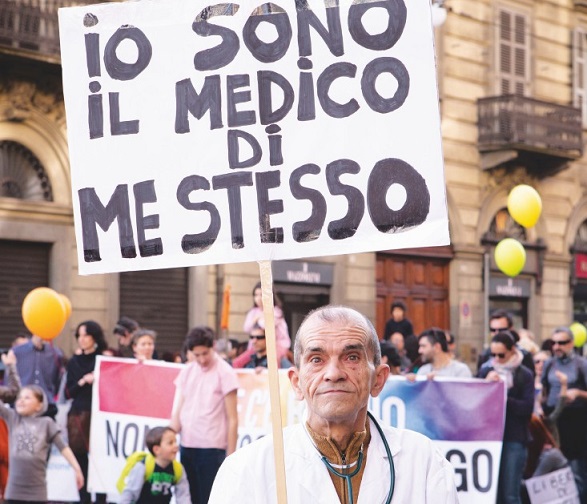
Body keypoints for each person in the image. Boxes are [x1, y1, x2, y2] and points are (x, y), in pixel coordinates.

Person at [209, 305, 459, 503]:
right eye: (316, 359)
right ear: (296, 382)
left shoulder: (423, 462)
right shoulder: (247, 469)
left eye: (352, 357)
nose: (333, 373)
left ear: (378, 379)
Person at [170, 326, 238, 504]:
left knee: (210, 498)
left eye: (205, 353)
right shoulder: (187, 371)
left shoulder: (225, 372)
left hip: (212, 448)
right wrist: (168, 436)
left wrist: (231, 456)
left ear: (213, 346)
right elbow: (177, 410)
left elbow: (233, 418)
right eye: (196, 355)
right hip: (187, 444)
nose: (201, 359)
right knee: (188, 498)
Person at [0, 381, 84, 501]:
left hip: (37, 493)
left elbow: (63, 447)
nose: (21, 400)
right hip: (14, 492)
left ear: (39, 405)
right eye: (19, 398)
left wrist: (77, 468)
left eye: (27, 398)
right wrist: (11, 370)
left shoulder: (47, 423)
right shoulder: (13, 418)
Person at [478, 331, 534, 504]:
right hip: (490, 438)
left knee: (510, 494)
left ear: (512, 351)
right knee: (492, 494)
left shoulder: (524, 374)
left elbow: (527, 407)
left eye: (501, 355)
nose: (496, 359)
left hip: (514, 438)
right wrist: (486, 385)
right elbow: (475, 401)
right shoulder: (486, 370)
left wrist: (501, 394)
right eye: (493, 354)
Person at [541, 326, 587, 500]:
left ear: (571, 343)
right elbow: (544, 390)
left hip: (576, 420)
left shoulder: (581, 364)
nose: (557, 347)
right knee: (554, 467)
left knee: (576, 468)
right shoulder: (549, 363)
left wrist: (577, 393)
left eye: (562, 343)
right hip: (553, 418)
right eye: (554, 343)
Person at [65, 320, 108, 504]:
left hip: (101, 414)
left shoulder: (103, 359)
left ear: (94, 337)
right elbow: (69, 392)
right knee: (80, 458)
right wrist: (84, 380)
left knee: (101, 458)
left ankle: (101, 499)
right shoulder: (74, 361)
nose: (82, 339)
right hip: (79, 414)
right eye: (79, 336)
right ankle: (84, 499)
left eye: (86, 335)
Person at [120, 426, 191, 504]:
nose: (176, 446)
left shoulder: (178, 469)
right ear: (156, 449)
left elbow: (183, 496)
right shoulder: (143, 466)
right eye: (170, 443)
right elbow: (130, 493)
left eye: (175, 442)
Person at [9, 333, 64, 419]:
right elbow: (10, 379)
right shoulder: (17, 352)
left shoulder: (56, 354)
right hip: (22, 407)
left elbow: (58, 380)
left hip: (47, 407)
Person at [477, 310, 535, 376]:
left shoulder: (524, 355)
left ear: (511, 329)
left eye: (501, 330)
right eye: (493, 330)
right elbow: (479, 379)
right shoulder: (485, 356)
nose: (497, 333)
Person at [243, 282, 291, 361]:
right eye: (256, 295)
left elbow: (265, 325)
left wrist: (258, 318)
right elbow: (246, 328)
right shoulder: (253, 312)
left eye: (261, 295)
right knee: (238, 362)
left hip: (278, 345)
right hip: (257, 347)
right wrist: (257, 318)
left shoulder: (276, 311)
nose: (258, 298)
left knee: (274, 361)